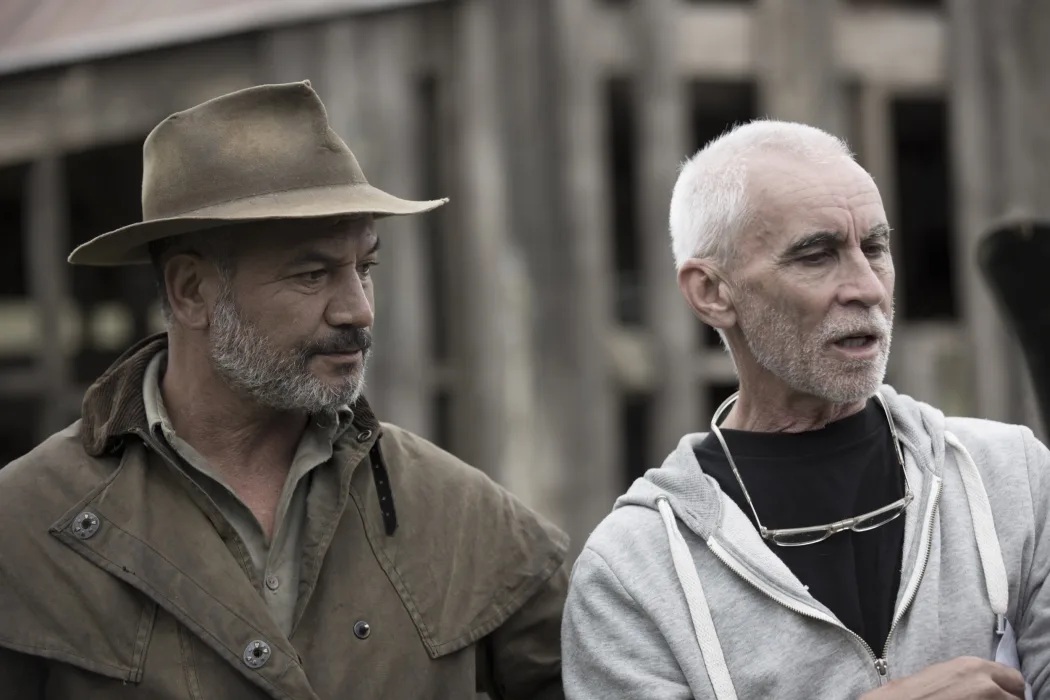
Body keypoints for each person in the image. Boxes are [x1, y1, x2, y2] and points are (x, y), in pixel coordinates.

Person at [0, 81, 568, 699]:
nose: (358, 310)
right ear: (192, 291)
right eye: (313, 274)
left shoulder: (459, 513)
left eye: (365, 268)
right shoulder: (25, 525)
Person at [562, 120, 1047, 699]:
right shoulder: (633, 571)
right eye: (817, 255)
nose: (867, 287)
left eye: (875, 248)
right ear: (711, 293)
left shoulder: (1011, 478)